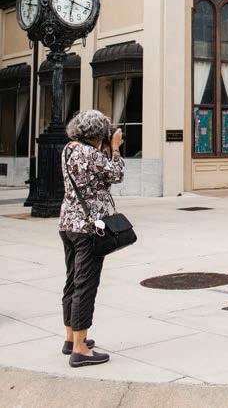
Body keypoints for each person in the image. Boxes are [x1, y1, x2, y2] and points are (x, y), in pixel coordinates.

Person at [59, 109, 124, 367]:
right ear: (99, 132)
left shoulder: (69, 149)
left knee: (72, 281)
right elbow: (116, 174)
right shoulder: (91, 153)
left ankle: (71, 337)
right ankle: (80, 349)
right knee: (86, 285)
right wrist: (115, 148)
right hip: (89, 228)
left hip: (68, 224)